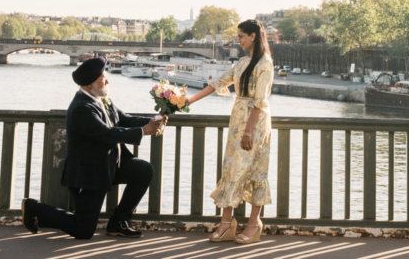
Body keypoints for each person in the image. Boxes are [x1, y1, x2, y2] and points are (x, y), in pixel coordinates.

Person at [21, 56, 167, 239]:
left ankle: (118, 222)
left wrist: (152, 121)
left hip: (108, 165)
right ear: (90, 84)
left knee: (144, 170)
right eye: (102, 78)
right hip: (89, 174)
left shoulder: (102, 99)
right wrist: (143, 131)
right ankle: (35, 208)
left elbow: (123, 119)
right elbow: (107, 134)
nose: (107, 80)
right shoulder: (82, 108)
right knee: (84, 231)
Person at [181, 19, 274, 245]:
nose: (238, 40)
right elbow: (219, 83)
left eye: (241, 36)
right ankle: (227, 223)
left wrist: (248, 131)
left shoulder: (265, 64)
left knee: (254, 170)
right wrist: (189, 101)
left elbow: (260, 102)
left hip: (254, 123)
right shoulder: (243, 62)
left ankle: (253, 224)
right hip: (238, 120)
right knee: (232, 169)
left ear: (253, 36)